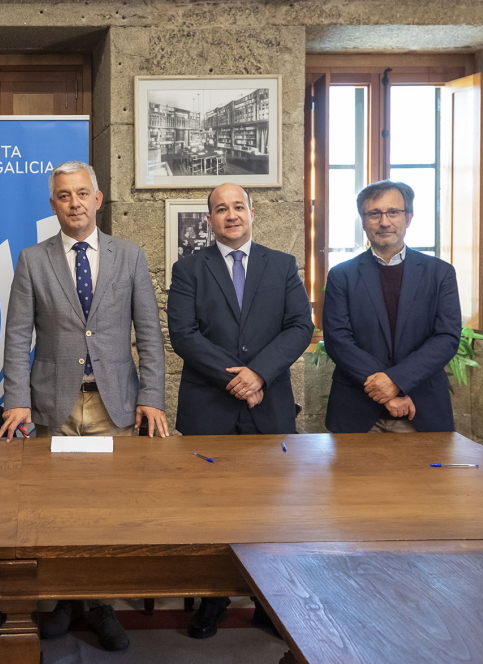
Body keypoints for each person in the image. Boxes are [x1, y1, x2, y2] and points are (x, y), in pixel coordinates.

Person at [0, 161, 168, 653]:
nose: (73, 203)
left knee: (105, 512)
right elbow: (18, 337)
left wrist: (151, 397)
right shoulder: (33, 259)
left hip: (114, 405)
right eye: (63, 196)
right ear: (52, 205)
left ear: (98, 198)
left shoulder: (130, 256)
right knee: (57, 511)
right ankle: (65, 600)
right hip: (55, 405)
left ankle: (100, 604)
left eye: (81, 194)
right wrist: (17, 401)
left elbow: (150, 336)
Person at [166, 182, 314, 638]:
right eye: (219, 209)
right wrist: (235, 377)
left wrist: (258, 375)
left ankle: (269, 603)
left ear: (252, 213)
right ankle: (214, 598)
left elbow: (299, 327)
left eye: (238, 207)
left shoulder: (283, 264)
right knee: (211, 511)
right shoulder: (189, 268)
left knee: (271, 509)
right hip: (209, 407)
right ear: (208, 220)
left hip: (267, 406)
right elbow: (184, 335)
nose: (230, 215)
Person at [323, 180, 461, 433]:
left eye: (393, 212)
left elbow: (446, 337)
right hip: (356, 411)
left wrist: (396, 381)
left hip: (422, 408)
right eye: (374, 213)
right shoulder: (342, 275)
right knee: (352, 474)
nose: (384, 222)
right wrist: (387, 393)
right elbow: (338, 339)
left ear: (408, 218)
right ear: (363, 221)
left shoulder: (439, 273)